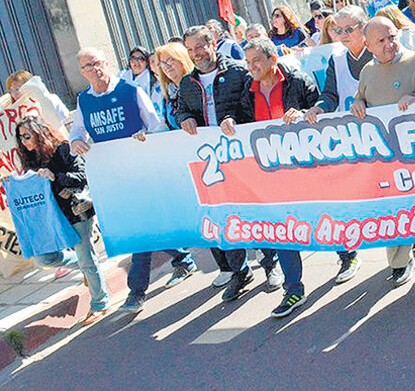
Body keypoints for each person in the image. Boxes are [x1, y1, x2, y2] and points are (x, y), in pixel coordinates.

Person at [68, 47, 196, 313]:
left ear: (106, 63)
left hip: (141, 172)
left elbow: (157, 127)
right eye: (86, 68)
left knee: (140, 232)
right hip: (113, 178)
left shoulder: (130, 91)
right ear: (81, 72)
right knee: (142, 228)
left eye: (96, 64)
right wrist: (77, 141)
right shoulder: (84, 101)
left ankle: (136, 292)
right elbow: (76, 132)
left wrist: (144, 136)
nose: (93, 71)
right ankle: (183, 258)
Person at [349, 17, 415, 306]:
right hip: (390, 164)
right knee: (402, 216)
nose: (389, 44)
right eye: (380, 41)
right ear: (367, 46)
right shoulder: (367, 72)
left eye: (392, 36)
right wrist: (358, 104)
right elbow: (361, 98)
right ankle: (402, 262)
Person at [179, 25, 282, 299]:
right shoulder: (187, 83)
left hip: (241, 154)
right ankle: (240, 271)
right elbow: (182, 110)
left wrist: (234, 119)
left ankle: (271, 264)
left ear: (212, 43)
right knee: (224, 217)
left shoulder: (238, 71)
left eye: (199, 47)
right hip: (210, 159)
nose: (195, 54)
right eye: (189, 50)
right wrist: (184, 119)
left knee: (255, 211)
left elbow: (251, 104)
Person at [229, 38, 318, 318]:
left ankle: (346, 254)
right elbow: (239, 118)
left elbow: (324, 109)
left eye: (256, 60)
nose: (251, 67)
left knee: (320, 217)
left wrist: (305, 114)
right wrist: (229, 120)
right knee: (283, 229)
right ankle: (294, 290)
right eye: (248, 62)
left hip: (307, 168)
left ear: (272, 60)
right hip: (271, 174)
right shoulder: (247, 89)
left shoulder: (297, 81)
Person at [16, 116, 109, 325]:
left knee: (86, 256)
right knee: (44, 258)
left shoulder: (63, 149)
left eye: (27, 136)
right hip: (53, 218)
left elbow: (82, 176)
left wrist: (54, 175)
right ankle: (86, 268)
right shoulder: (30, 161)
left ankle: (100, 303)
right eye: (20, 138)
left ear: (39, 133)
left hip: (77, 210)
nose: (23, 142)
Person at [302, 6, 371, 283]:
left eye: (349, 30)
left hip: (380, 136)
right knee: (341, 198)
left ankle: (405, 250)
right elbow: (330, 94)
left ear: (363, 28)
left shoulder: (378, 52)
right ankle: (349, 254)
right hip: (348, 140)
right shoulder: (337, 59)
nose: (342, 35)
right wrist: (319, 107)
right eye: (338, 31)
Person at [154, 42, 193, 130]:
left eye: (170, 60)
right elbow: (165, 127)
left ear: (182, 60)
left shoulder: (196, 86)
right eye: (162, 63)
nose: (166, 66)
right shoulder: (167, 95)